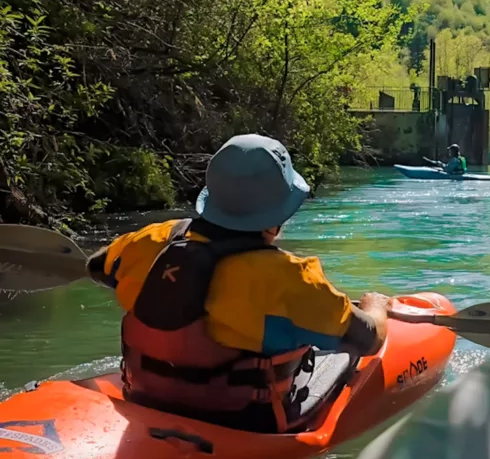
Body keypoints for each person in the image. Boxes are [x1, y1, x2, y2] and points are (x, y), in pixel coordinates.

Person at [86, 134, 390, 434]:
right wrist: (374, 306)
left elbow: (97, 267)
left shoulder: (151, 240)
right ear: (278, 216)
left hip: (145, 398)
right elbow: (369, 340)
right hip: (243, 422)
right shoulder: (292, 280)